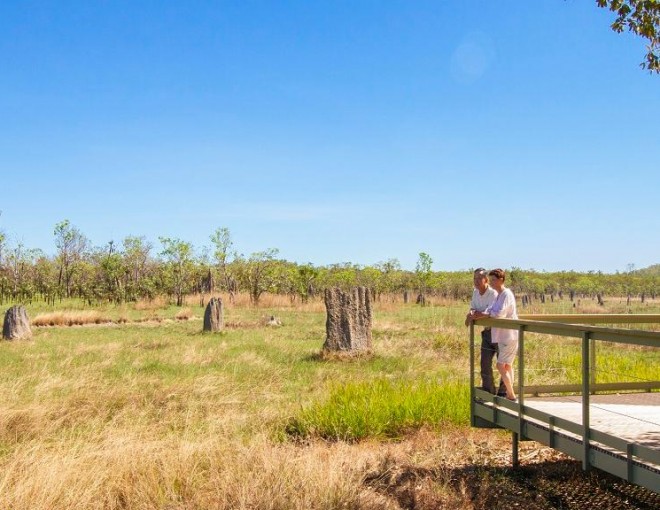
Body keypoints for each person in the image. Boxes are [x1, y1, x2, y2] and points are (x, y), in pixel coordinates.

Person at [472, 268, 519, 401]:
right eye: (490, 279)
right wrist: (481, 313)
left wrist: (484, 314)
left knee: (500, 365)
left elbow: (499, 313)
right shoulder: (498, 295)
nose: (491, 282)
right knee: (507, 365)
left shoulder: (506, 294)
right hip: (501, 334)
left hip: (509, 335)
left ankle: (509, 394)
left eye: (493, 280)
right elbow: (491, 309)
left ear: (501, 280)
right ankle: (510, 393)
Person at [465, 268, 504, 395]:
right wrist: (471, 314)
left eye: (479, 278)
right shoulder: (475, 292)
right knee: (485, 364)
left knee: (502, 364)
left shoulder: (493, 293)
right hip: (487, 332)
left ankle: (503, 393)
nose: (476, 281)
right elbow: (473, 308)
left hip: (499, 332)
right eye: (474, 278)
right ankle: (489, 393)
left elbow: (489, 313)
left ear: (486, 280)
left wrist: (476, 314)